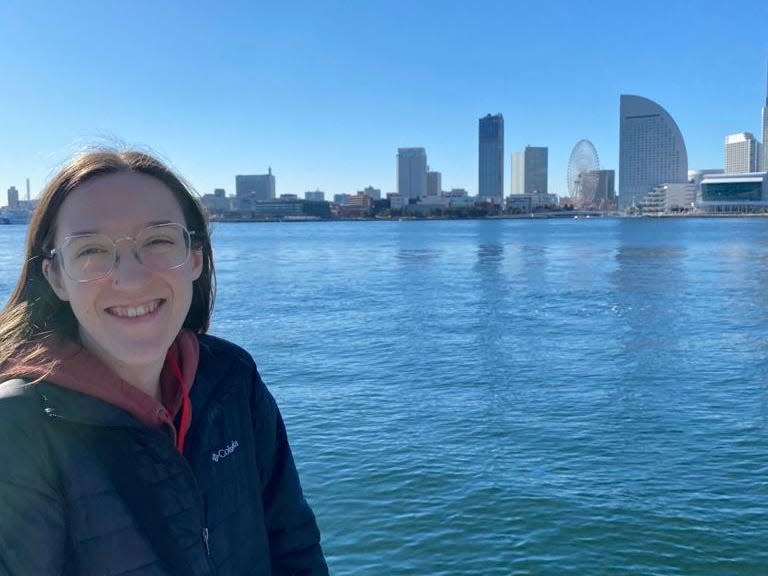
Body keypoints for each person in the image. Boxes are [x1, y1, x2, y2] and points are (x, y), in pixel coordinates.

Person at [0, 149, 329, 576]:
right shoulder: (17, 426)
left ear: (194, 258)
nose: (131, 278)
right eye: (91, 250)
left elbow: (292, 541)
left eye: (157, 241)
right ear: (56, 277)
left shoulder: (231, 378)